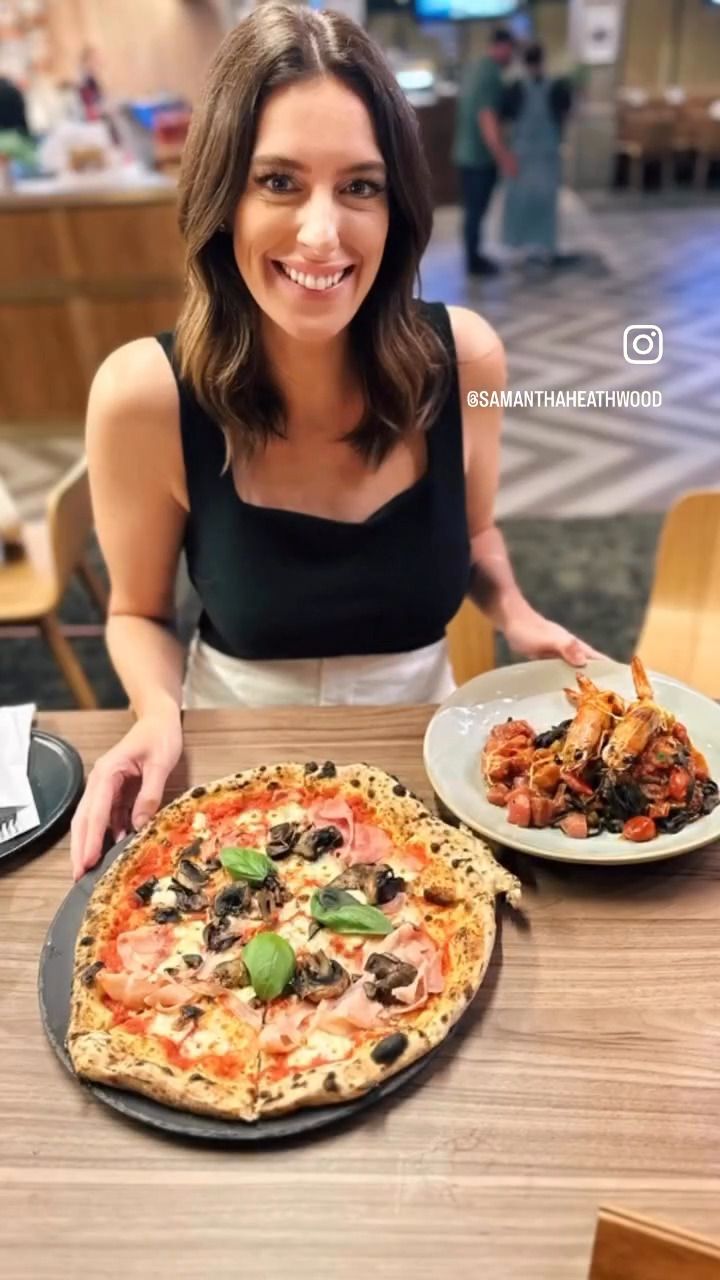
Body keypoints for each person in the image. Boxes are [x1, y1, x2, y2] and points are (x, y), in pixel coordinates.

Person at [69, 3, 600, 879]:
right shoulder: (145, 395)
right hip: (232, 746)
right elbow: (135, 612)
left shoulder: (465, 358)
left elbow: (474, 534)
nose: (322, 233)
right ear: (222, 198)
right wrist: (156, 713)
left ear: (397, 208)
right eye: (279, 181)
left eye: (360, 186)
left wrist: (515, 612)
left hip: (427, 748)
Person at [452, 27, 518, 277]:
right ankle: (474, 261)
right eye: (511, 50)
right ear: (503, 46)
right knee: (476, 211)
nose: (511, 56)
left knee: (472, 210)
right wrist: (503, 156)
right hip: (479, 158)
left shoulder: (475, 68)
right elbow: (487, 118)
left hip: (464, 153)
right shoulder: (491, 74)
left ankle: (473, 256)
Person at [500, 43, 574, 265]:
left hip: (524, 153)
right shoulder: (558, 87)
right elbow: (567, 114)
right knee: (544, 202)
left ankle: (520, 247)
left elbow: (505, 118)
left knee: (524, 202)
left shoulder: (515, 88)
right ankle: (545, 247)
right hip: (545, 153)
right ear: (543, 60)